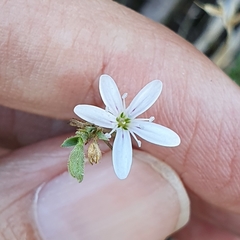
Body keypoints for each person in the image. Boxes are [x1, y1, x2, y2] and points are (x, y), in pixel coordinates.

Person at [0, 0, 240, 239]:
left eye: (124, 120)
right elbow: (100, 95)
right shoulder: (109, 114)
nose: (123, 121)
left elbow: (150, 106)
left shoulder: (123, 120)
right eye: (122, 120)